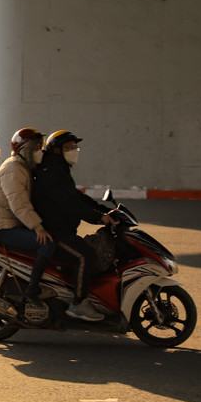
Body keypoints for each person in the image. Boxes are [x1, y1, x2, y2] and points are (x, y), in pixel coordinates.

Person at [34, 130, 117, 321]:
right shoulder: (51, 172)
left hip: (62, 229)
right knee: (86, 255)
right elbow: (69, 204)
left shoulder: (59, 169)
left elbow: (75, 196)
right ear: (55, 151)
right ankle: (78, 303)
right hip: (54, 231)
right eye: (68, 148)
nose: (74, 151)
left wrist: (101, 210)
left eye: (75, 147)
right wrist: (98, 218)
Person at [0, 127, 55, 301]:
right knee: (47, 244)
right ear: (24, 150)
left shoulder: (23, 167)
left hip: (11, 223)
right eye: (36, 148)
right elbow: (19, 204)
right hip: (3, 227)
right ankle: (32, 290)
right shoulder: (14, 168)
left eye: (41, 147)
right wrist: (38, 227)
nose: (40, 151)